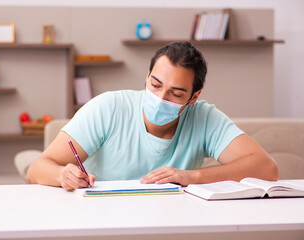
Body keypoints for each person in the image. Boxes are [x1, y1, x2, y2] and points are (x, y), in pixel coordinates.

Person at [26, 42, 278, 190]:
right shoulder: (108, 107)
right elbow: (37, 168)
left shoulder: (204, 117)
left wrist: (192, 177)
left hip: (172, 225)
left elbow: (266, 168)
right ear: (146, 77)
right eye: (155, 85)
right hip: (103, 222)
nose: (160, 98)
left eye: (176, 93)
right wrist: (62, 175)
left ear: (193, 97)